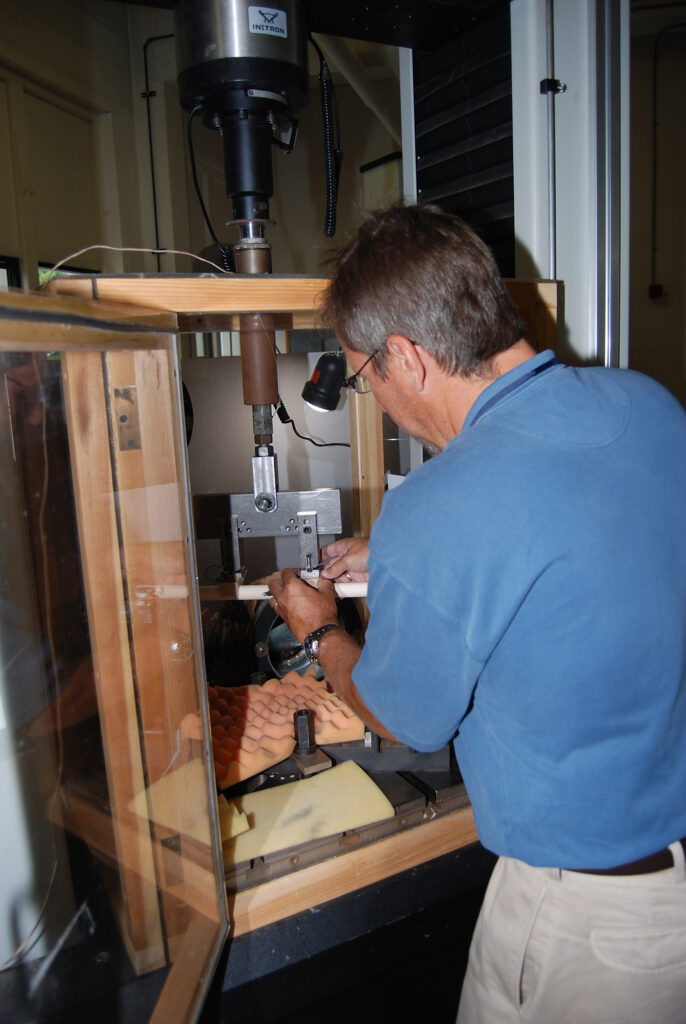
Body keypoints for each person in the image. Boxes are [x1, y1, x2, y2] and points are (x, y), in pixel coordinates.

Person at [266, 203, 686, 1023]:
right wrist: (397, 559)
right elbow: (585, 534)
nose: (376, 401)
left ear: (407, 359)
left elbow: (405, 717)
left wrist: (322, 630)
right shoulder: (649, 406)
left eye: (363, 378)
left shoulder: (441, 501)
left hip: (585, 920)